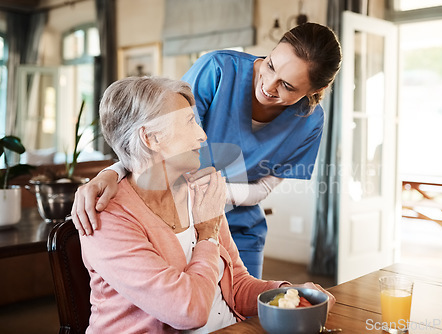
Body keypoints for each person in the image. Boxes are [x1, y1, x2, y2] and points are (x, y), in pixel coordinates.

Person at [72, 22, 342, 278]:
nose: (268, 85)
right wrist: (112, 172)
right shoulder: (218, 70)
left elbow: (263, 188)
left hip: (239, 228)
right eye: (270, 65)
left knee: (243, 319)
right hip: (175, 220)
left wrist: (213, 195)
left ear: (317, 89)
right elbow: (154, 136)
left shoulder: (310, 122)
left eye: (287, 85)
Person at [80, 76, 335, 333]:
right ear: (151, 138)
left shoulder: (198, 192)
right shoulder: (106, 218)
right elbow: (189, 312)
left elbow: (237, 287)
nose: (202, 135)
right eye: (190, 122)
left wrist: (288, 294)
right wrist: (208, 234)